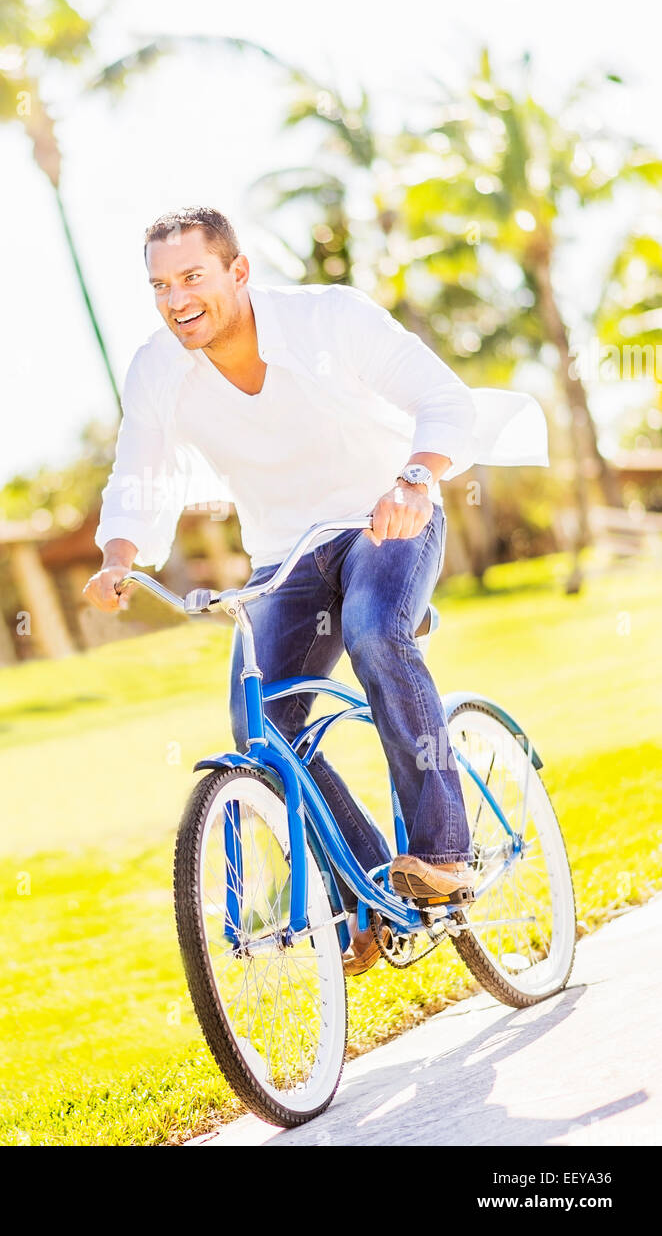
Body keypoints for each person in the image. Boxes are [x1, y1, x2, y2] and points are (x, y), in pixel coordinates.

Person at [83, 206, 548, 976]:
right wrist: (119, 554)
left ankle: (442, 851)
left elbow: (446, 401)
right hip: (287, 557)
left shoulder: (328, 320)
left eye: (192, 277)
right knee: (259, 721)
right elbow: (142, 465)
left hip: (384, 519)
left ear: (238, 271)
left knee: (374, 631)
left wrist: (414, 480)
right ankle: (370, 890)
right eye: (160, 285)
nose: (176, 299)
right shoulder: (158, 368)